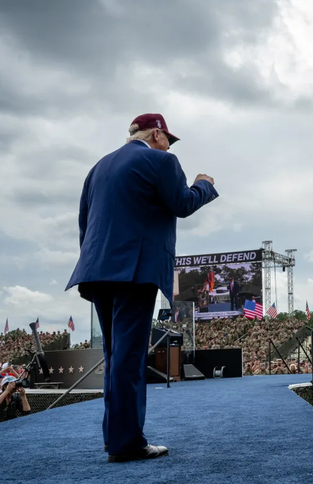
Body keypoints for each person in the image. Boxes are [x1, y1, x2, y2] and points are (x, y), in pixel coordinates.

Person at [65, 113, 218, 462]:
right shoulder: (161, 161)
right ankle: (127, 444)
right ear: (157, 134)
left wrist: (95, 263)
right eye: (168, 140)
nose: (170, 147)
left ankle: (114, 436)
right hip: (135, 269)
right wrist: (203, 185)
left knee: (115, 356)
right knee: (129, 358)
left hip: (97, 269)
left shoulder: (98, 168)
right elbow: (182, 203)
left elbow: (84, 224)